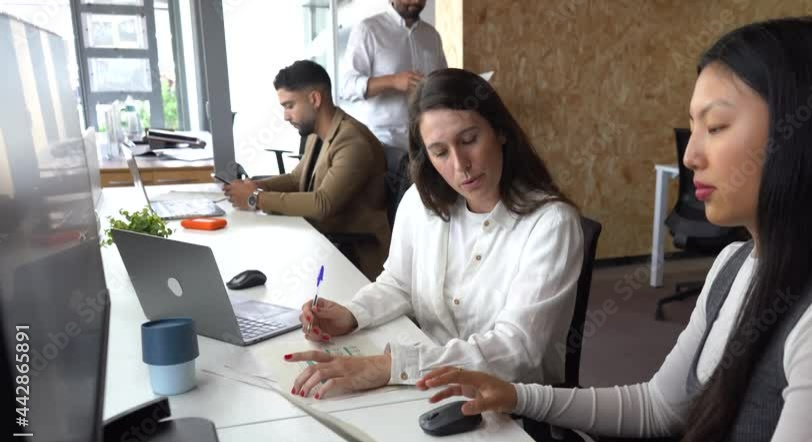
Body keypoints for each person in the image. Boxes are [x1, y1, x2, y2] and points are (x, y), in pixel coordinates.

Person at [382, 17, 812, 442]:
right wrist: (519, 395)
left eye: (716, 127)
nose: (690, 157)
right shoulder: (738, 264)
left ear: (798, 132)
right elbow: (660, 405)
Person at [285, 68, 583, 399]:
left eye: (469, 140)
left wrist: (389, 366)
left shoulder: (551, 224)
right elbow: (400, 282)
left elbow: (516, 352)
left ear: (500, 131)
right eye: (440, 152)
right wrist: (352, 314)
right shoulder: (420, 202)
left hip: (507, 403)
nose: (460, 165)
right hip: (428, 382)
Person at [224, 60, 389, 280]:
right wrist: (254, 186)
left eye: (289, 105)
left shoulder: (352, 141)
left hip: (355, 260)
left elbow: (323, 203)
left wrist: (256, 199)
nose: (285, 116)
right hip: (325, 243)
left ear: (314, 99)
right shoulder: (317, 133)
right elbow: (296, 179)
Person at [340, 0, 448, 149]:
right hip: (383, 142)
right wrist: (393, 81)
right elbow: (347, 86)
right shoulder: (369, 30)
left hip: (426, 139)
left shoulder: (432, 35)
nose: (416, 1)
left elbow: (442, 82)